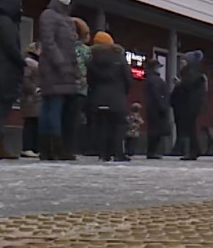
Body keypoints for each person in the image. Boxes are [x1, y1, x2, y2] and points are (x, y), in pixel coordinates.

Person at [37, 0, 79, 161]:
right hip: (54, 70)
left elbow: (69, 46)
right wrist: (61, 64)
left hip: (65, 70)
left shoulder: (65, 18)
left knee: (55, 109)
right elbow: (49, 43)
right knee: (53, 108)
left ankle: (52, 148)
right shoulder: (49, 15)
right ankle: (52, 148)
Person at [86, 31, 133, 162]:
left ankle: (103, 153)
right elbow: (128, 79)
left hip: (98, 96)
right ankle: (118, 153)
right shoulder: (119, 58)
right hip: (117, 96)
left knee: (102, 125)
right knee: (118, 125)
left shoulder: (93, 59)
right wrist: (124, 92)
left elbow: (90, 79)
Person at [0, 0, 25, 160]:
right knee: (0, 111)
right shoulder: (6, 22)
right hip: (4, 74)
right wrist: (23, 62)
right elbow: (10, 47)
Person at [171, 50, 207, 161]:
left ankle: (193, 151)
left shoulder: (192, 73)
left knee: (190, 128)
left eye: (183, 61)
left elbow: (188, 86)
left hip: (190, 105)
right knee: (190, 128)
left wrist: (179, 84)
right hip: (189, 104)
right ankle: (195, 150)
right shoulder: (190, 73)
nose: (181, 63)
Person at [68, 17, 92, 157]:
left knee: (65, 117)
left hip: (63, 86)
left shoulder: (64, 46)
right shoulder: (85, 51)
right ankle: (72, 147)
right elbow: (90, 68)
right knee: (75, 119)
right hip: (80, 88)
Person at [143, 58, 170, 159]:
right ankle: (152, 152)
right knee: (155, 131)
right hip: (156, 108)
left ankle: (152, 151)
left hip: (154, 107)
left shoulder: (151, 78)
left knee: (155, 130)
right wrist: (163, 105)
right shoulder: (154, 79)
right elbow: (157, 94)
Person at [20, 43, 41, 159]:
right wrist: (35, 89)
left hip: (33, 99)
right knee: (31, 123)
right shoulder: (30, 63)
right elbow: (26, 80)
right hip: (31, 98)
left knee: (34, 123)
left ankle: (32, 147)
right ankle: (28, 147)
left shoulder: (35, 63)